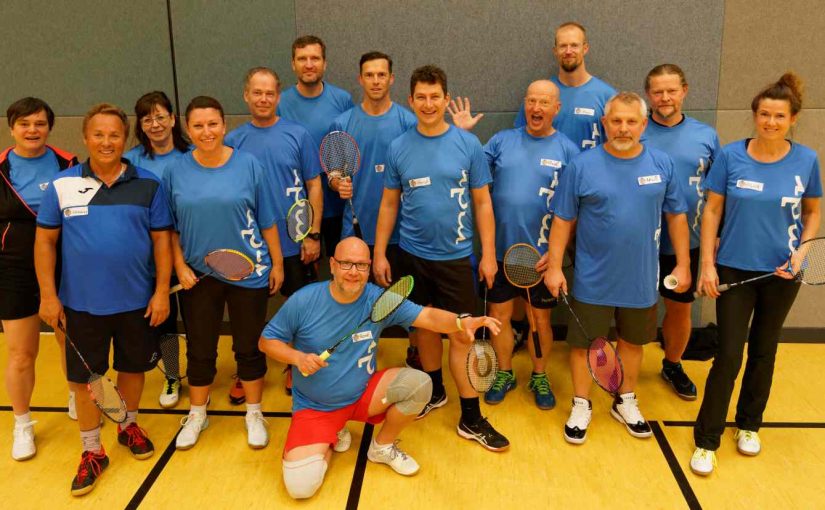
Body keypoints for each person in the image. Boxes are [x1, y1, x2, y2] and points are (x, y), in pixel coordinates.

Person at [258, 237, 501, 499]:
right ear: (332, 264)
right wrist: (297, 358)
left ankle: (381, 446)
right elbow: (266, 341)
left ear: (369, 267)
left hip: (363, 395)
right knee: (300, 488)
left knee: (420, 384)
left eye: (361, 265)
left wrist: (460, 322)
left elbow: (427, 316)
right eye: (346, 264)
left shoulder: (379, 300)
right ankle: (332, 434)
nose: (354, 272)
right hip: (316, 408)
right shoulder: (304, 300)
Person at [35, 103, 173, 496]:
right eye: (99, 134)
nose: (107, 142)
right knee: (85, 382)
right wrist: (48, 295)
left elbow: (161, 241)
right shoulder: (61, 186)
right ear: (85, 138)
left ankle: (127, 426)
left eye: (114, 135)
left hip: (137, 303)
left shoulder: (148, 184)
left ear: (125, 138)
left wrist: (161, 290)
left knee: (133, 371)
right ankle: (92, 450)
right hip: (81, 305)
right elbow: (45, 242)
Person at [690, 73, 821, 476]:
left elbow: (813, 210)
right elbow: (712, 210)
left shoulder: (806, 159)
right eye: (764, 114)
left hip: (783, 274)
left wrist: (803, 252)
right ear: (754, 115)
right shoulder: (731, 156)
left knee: (764, 350)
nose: (770, 122)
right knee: (729, 353)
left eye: (779, 116)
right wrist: (707, 264)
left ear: (793, 118)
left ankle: (748, 424)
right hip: (733, 267)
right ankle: (706, 440)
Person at [373, 65, 508, 452]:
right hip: (412, 257)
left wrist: (488, 255)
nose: (428, 104)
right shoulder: (399, 146)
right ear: (411, 101)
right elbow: (388, 204)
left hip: (456, 259)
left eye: (436, 97)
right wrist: (381, 252)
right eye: (421, 97)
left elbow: (483, 203)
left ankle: (471, 416)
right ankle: (434, 391)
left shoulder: (467, 145)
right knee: (424, 328)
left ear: (446, 100)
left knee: (462, 335)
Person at [543, 92, 690, 444]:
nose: (623, 128)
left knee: (632, 342)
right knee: (585, 345)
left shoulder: (662, 164)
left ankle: (624, 400)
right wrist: (554, 267)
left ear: (643, 125)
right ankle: (581, 403)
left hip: (640, 278)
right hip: (593, 278)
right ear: (605, 124)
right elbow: (563, 220)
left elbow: (677, 218)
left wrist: (684, 264)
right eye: (616, 121)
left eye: (631, 121)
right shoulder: (581, 166)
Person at [165, 96, 284, 451]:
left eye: (213, 124)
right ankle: (198, 413)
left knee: (248, 346)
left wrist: (276, 263)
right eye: (198, 125)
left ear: (224, 125)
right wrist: (179, 265)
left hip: (249, 272)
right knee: (200, 348)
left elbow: (267, 221)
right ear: (187, 129)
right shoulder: (175, 170)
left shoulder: (248, 165)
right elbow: (168, 229)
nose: (207, 131)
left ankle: (254, 412)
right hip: (198, 277)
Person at [480, 80, 579, 410]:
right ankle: (505, 372)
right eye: (532, 101)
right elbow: (473, 179)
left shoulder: (568, 150)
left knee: (540, 322)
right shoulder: (500, 141)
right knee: (499, 315)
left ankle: (539, 374)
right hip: (499, 253)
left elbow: (572, 209)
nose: (537, 108)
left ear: (556, 108)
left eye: (544, 103)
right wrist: (464, 134)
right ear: (525, 104)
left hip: (540, 257)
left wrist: (555, 257)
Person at [328, 51, 419, 366]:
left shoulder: (409, 122)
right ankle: (357, 355)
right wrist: (337, 184)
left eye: (382, 75)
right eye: (370, 75)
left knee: (408, 301)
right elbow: (334, 174)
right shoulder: (343, 123)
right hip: (356, 231)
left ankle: (415, 351)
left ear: (391, 78)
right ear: (360, 79)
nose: (376, 81)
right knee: (354, 302)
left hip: (403, 232)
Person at [2, 97, 77, 461]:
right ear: (11, 127)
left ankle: (77, 396)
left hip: (64, 266)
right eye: (24, 124)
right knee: (21, 353)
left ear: (50, 127)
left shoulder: (69, 165)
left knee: (70, 341)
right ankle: (22, 424)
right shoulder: (0, 168)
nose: (32, 130)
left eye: (40, 123)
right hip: (12, 273)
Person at [642, 64, 721, 400]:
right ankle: (623, 368)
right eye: (658, 91)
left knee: (679, 308)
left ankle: (672, 363)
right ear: (648, 94)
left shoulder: (706, 136)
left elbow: (719, 194)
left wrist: (716, 238)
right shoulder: (636, 130)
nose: (665, 97)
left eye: (671, 90)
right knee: (631, 309)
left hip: (685, 244)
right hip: (639, 242)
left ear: (684, 91)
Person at [226, 67, 323, 297]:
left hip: (297, 244)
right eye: (257, 92)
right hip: (253, 245)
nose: (263, 99)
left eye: (269, 93)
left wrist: (313, 235)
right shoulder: (232, 142)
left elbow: (314, 185)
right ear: (246, 95)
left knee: (303, 316)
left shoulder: (298, 135)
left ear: (278, 97)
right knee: (253, 315)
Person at [125, 90, 191, 409]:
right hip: (149, 255)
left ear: (173, 119)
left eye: (160, 116)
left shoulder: (192, 155)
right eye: (147, 118)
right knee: (164, 320)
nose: (155, 123)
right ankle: (173, 375)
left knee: (197, 318)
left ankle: (204, 371)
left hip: (192, 250)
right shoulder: (132, 162)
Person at [278, 35, 354, 256]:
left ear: (325, 63)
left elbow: (348, 148)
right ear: (293, 64)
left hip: (337, 207)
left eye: (315, 58)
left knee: (341, 269)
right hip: (296, 207)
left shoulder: (343, 99)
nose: (309, 64)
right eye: (302, 59)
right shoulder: (280, 103)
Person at [515, 21, 616, 150]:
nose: (568, 51)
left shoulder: (607, 96)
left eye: (574, 45)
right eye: (563, 46)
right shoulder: (540, 95)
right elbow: (520, 140)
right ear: (555, 50)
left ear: (585, 48)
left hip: (589, 170)